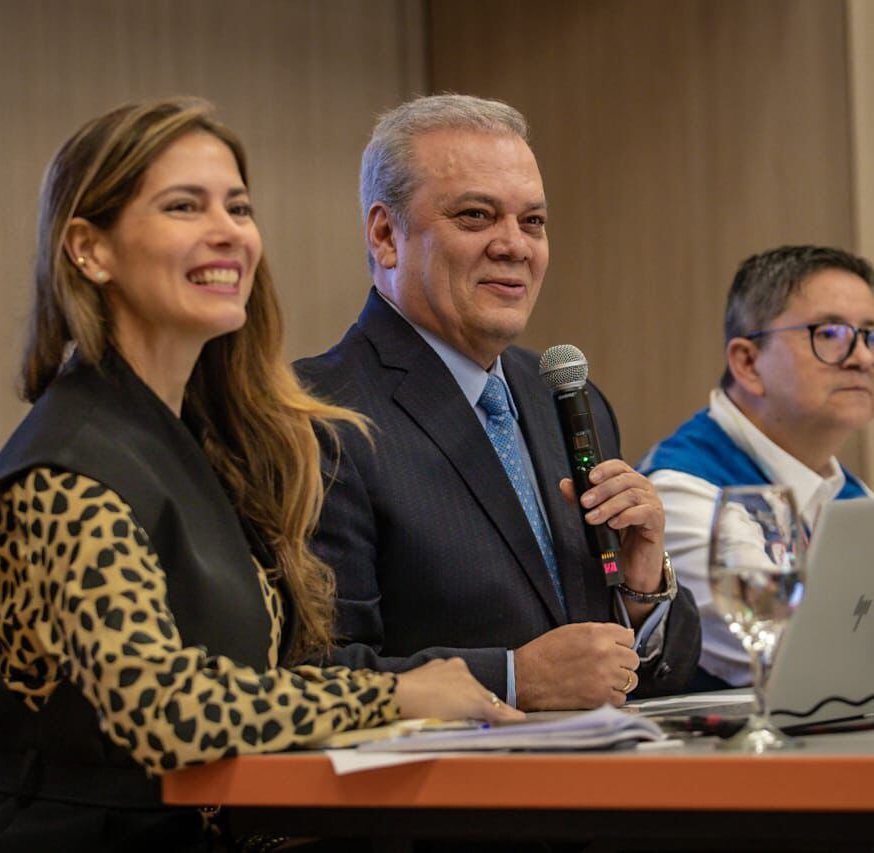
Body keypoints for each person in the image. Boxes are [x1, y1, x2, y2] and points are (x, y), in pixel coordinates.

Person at [0, 97, 520, 852]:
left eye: (238, 205)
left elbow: (249, 680)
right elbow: (165, 710)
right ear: (88, 249)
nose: (228, 231)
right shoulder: (66, 467)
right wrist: (395, 693)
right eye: (184, 205)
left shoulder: (191, 441)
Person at [295, 94, 699, 711]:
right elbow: (310, 671)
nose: (514, 245)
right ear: (385, 235)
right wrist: (512, 679)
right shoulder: (316, 415)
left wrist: (642, 589)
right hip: (439, 800)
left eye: (532, 221)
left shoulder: (565, 395)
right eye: (477, 216)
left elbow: (644, 675)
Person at [640, 245, 874, 689]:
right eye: (831, 334)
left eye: (873, 337)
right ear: (748, 362)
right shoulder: (681, 489)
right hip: (729, 753)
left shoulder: (843, 489)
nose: (862, 358)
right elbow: (789, 652)